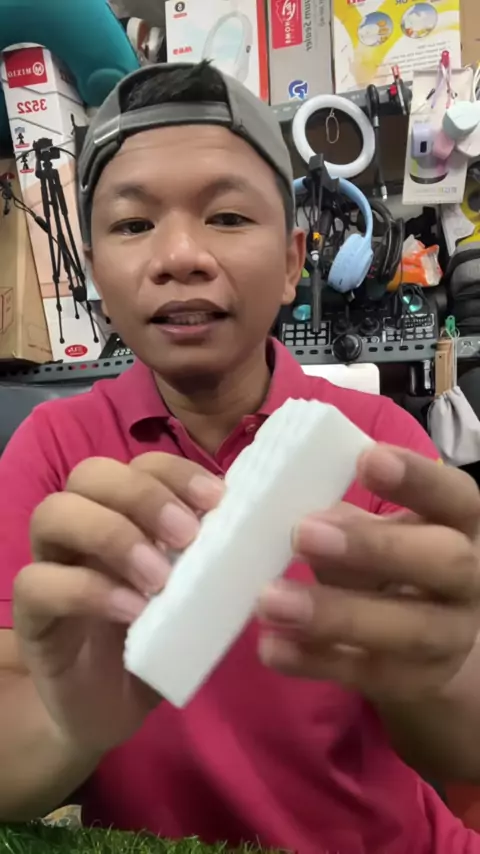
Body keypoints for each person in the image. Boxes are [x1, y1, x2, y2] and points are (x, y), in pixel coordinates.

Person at [0, 61, 480, 854]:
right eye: (133, 225)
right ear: (95, 274)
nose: (181, 255)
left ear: (293, 261)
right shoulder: (54, 453)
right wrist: (64, 719)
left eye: (226, 216)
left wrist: (439, 667)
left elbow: (463, 752)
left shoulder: (377, 441)